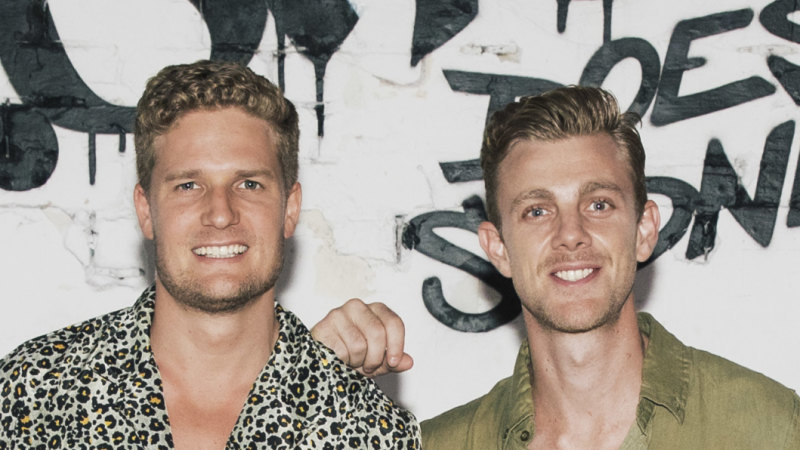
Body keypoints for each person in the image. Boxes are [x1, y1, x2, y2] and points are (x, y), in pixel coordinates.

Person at [312, 86, 800, 449]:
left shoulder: (772, 429)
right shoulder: (440, 445)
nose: (571, 233)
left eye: (599, 204)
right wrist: (305, 394)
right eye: (537, 211)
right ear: (498, 248)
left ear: (645, 230)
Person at [0, 60, 420, 449]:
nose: (220, 213)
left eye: (249, 184)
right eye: (188, 186)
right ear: (145, 210)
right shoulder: (34, 393)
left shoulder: (369, 430)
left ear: (290, 209)